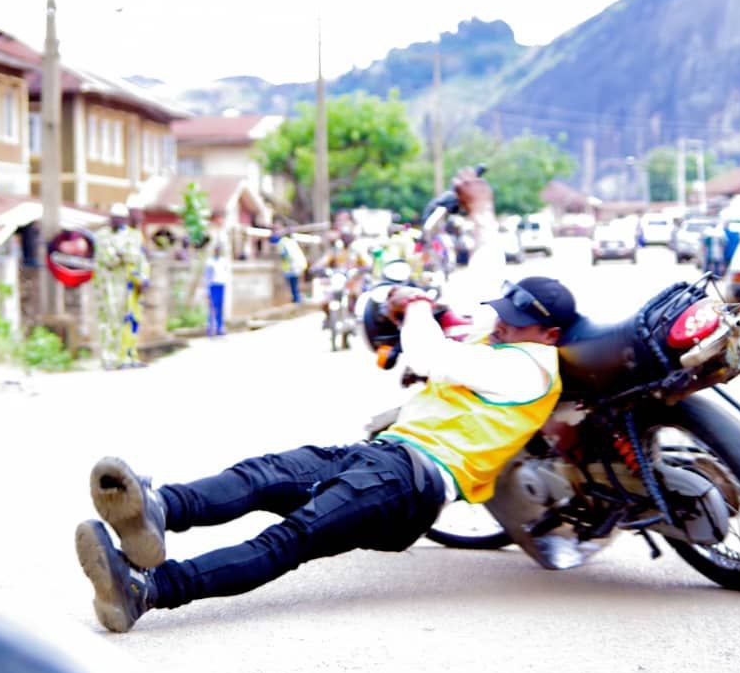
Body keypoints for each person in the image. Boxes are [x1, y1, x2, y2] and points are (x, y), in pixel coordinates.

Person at [73, 169, 580, 632]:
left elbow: (428, 355)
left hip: (410, 483)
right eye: (504, 313)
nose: (502, 322)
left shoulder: (529, 366)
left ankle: (148, 590)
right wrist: (480, 211)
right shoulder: (507, 337)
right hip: (385, 457)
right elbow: (487, 273)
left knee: (289, 541)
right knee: (262, 475)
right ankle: (159, 509)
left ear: (550, 334)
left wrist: (418, 304)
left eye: (517, 319)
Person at [93, 207, 150, 369]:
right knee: (109, 321)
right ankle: (108, 358)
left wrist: (143, 278)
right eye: (115, 218)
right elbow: (110, 258)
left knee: (130, 321)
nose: (117, 221)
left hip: (130, 285)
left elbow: (138, 257)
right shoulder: (102, 236)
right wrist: (124, 255)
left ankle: (127, 356)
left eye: (121, 218)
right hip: (108, 286)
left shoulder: (133, 236)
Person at [272, 226, 307, 304]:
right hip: (298, 265)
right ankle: (296, 299)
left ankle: (296, 300)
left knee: (293, 285)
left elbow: (284, 255)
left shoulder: (283, 242)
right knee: (295, 285)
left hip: (292, 267)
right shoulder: (291, 242)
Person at [203, 245, 231, 337]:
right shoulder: (210, 262)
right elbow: (207, 277)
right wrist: (207, 290)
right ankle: (211, 328)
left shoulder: (223, 261)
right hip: (213, 286)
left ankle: (220, 328)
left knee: (220, 307)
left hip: (221, 285)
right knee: (212, 307)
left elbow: (226, 273)